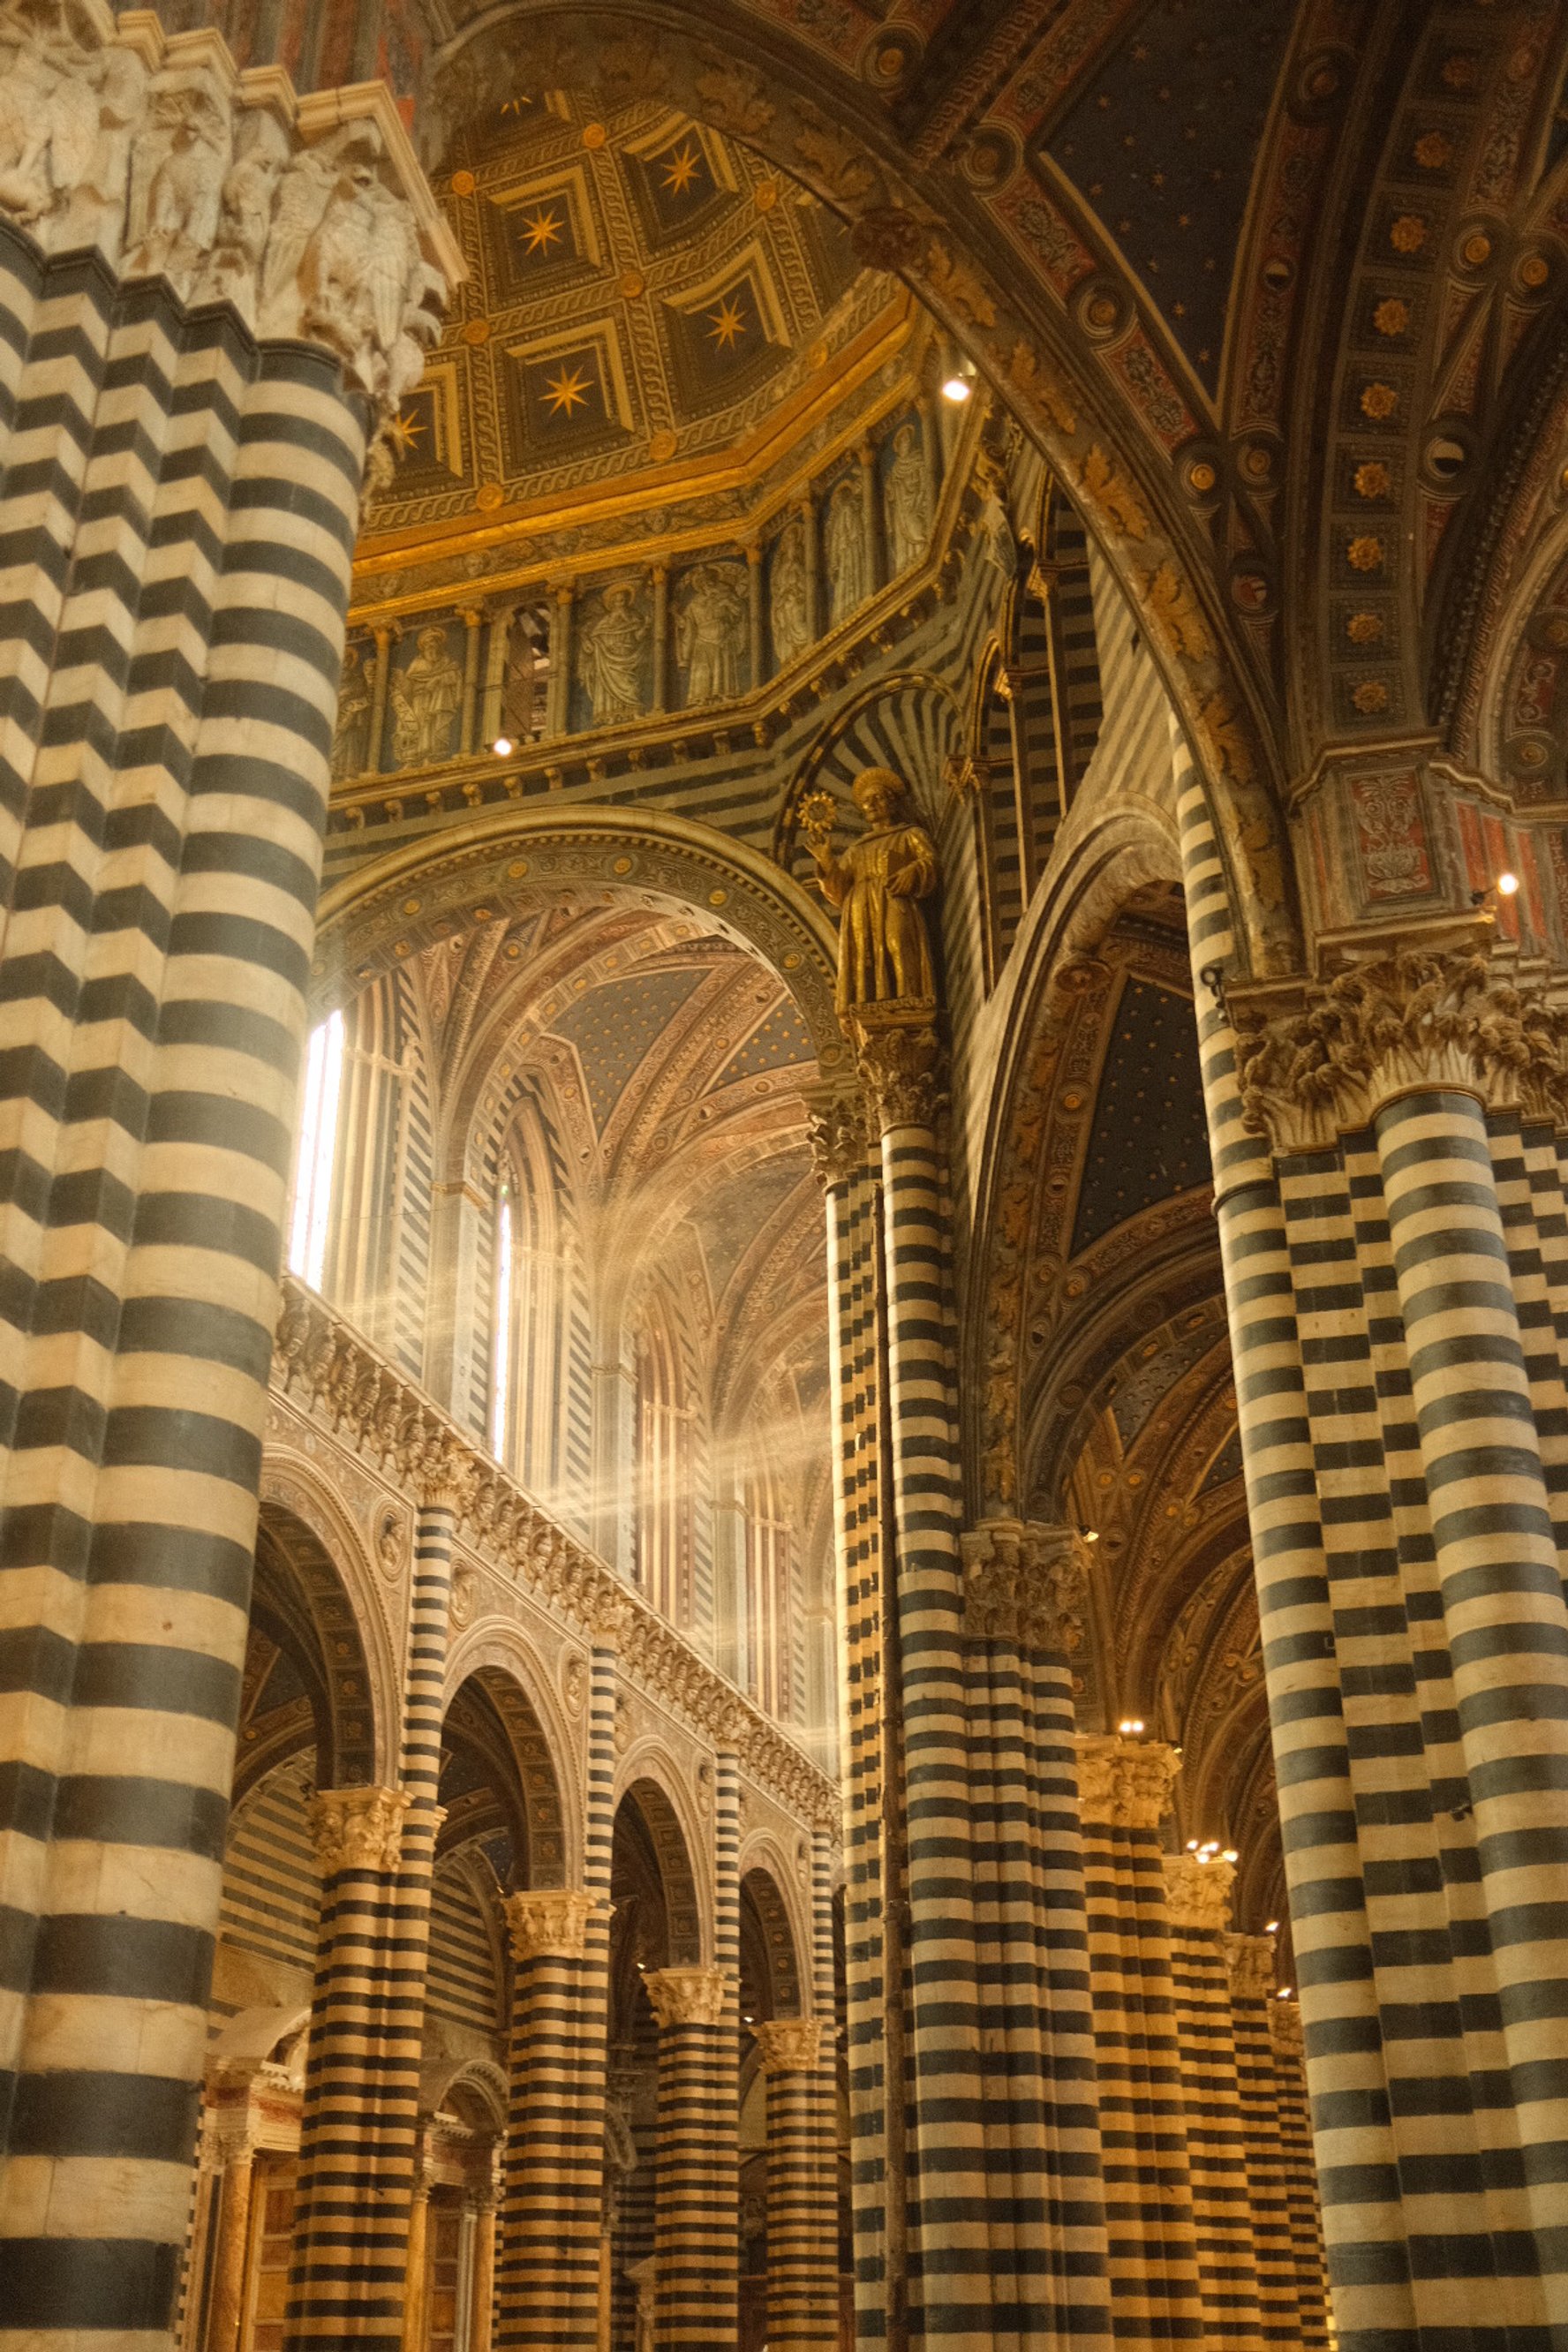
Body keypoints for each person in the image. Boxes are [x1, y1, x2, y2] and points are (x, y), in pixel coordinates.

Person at [804, 767, 938, 1014]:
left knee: (898, 942)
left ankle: (909, 998)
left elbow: (931, 861)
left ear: (894, 803)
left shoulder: (910, 834)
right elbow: (838, 891)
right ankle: (873, 1003)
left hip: (893, 896)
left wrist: (912, 871)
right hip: (861, 906)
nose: (872, 804)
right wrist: (826, 862)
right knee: (867, 954)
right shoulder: (856, 849)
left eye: (879, 798)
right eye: (867, 801)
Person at [389, 622, 462, 765]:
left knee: (431, 730)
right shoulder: (417, 664)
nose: (431, 647)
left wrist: (438, 679)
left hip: (437, 702)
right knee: (416, 729)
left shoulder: (446, 662)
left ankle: (431, 757)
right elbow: (408, 687)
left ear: (439, 646)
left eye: (434, 643)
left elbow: (454, 676)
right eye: (428, 644)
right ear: (423, 648)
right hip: (418, 701)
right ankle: (412, 760)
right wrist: (401, 682)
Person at [577, 582, 647, 724]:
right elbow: (596, 638)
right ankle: (609, 715)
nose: (620, 604)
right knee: (606, 686)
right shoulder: (605, 622)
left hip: (628, 656)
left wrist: (646, 627)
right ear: (612, 604)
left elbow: (639, 637)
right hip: (608, 659)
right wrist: (591, 643)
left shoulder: (634, 618)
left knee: (631, 685)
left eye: (623, 601)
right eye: (617, 601)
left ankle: (632, 711)